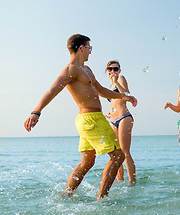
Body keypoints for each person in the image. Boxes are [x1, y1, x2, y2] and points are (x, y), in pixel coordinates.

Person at [23, 34, 138, 200]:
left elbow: (100, 90)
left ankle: (65, 195)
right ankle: (101, 200)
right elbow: (52, 90)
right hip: (91, 120)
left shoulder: (87, 70)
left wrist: (123, 97)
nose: (90, 52)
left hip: (89, 121)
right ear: (81, 48)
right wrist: (36, 111)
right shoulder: (70, 70)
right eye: (89, 48)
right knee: (118, 156)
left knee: (87, 162)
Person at [104, 60, 136, 186]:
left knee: (125, 152)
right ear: (107, 71)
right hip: (113, 120)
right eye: (110, 69)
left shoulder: (121, 79)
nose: (112, 71)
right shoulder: (109, 86)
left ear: (119, 70)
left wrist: (116, 81)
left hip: (124, 117)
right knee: (116, 154)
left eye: (115, 69)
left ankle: (132, 183)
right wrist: (110, 113)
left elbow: (126, 94)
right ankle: (119, 182)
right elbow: (114, 103)